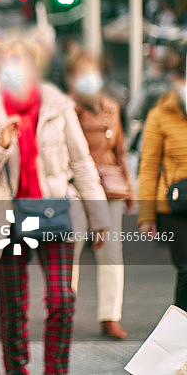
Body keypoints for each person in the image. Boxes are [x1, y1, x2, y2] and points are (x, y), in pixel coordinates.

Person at [0, 38, 110, 375]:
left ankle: (56, 369)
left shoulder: (58, 107)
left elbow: (82, 163)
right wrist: (0, 144)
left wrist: (99, 217)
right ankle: (17, 369)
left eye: (22, 61)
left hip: (55, 212)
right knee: (12, 308)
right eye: (9, 62)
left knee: (63, 299)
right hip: (8, 217)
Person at [66, 51, 135, 340]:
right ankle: (64, 312)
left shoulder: (112, 107)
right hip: (77, 187)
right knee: (72, 251)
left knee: (111, 253)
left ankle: (110, 317)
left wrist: (129, 187)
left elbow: (119, 150)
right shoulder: (67, 110)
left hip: (109, 187)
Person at [138, 52, 187, 311]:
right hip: (175, 205)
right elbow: (147, 166)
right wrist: (146, 214)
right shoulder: (160, 114)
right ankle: (181, 338)